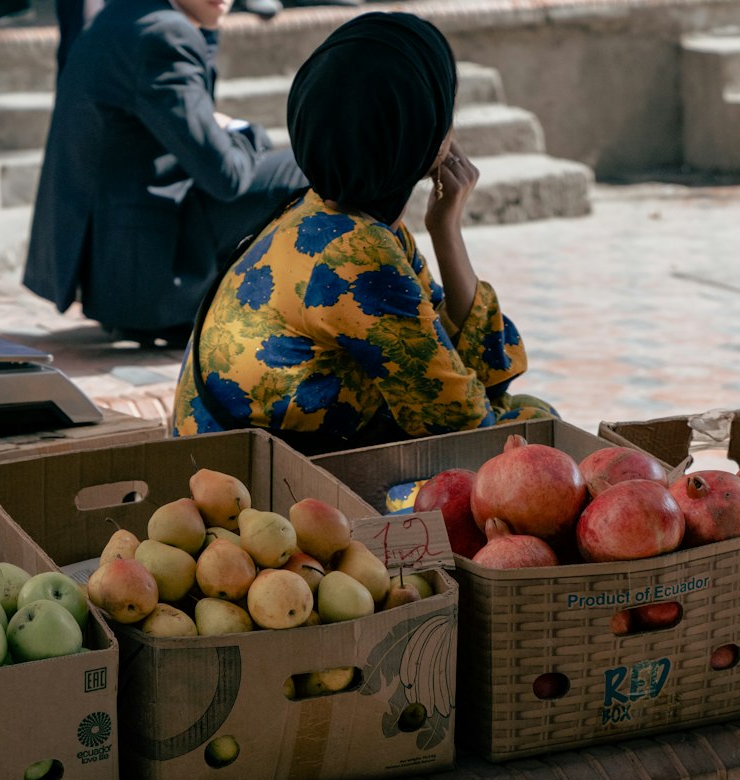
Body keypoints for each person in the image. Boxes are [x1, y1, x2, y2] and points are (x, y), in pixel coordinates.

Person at [172, 11, 555, 454]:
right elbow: (462, 424)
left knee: (524, 420)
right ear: (420, 135)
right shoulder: (357, 252)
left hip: (242, 462)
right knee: (531, 431)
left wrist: (445, 228)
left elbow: (456, 360)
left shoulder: (324, 209)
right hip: (250, 490)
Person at [22, 0, 308, 344]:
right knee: (304, 167)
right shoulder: (164, 34)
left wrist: (207, 33)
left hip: (113, 273)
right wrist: (246, 131)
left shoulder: (122, 15)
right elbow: (226, 176)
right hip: (144, 285)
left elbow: (197, 134)